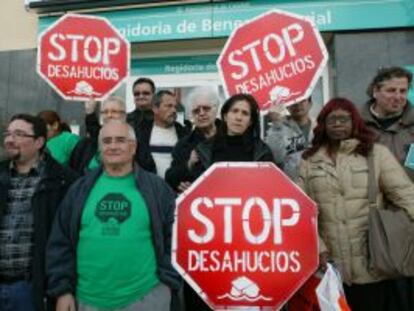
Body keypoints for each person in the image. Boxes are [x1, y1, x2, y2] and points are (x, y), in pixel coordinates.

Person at [47, 120, 181, 311]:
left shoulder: (157, 189)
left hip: (146, 297)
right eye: (107, 141)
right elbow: (60, 242)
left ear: (133, 147)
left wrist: (168, 283)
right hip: (86, 300)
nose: (113, 146)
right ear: (100, 148)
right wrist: (63, 291)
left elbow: (176, 238)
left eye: (120, 140)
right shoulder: (79, 189)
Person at [298, 97, 414, 311]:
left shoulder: (376, 154)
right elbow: (300, 212)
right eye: (332, 119)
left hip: (373, 264)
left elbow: (406, 196)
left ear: (356, 122)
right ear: (323, 124)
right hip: (330, 269)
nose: (338, 124)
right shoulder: (309, 160)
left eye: (344, 119)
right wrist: (319, 248)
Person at [0, 114, 78, 311]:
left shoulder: (63, 181)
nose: (10, 139)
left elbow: (69, 240)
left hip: (31, 289)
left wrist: (63, 288)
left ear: (39, 142)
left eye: (19, 134)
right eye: (8, 133)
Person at [189, 93, 275, 179]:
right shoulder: (205, 149)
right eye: (235, 111)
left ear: (250, 122)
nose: (238, 117)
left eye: (245, 113)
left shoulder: (262, 152)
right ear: (225, 116)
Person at [360, 66, 414, 180]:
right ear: (375, 91)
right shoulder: (355, 125)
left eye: (403, 91)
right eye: (391, 90)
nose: (398, 97)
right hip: (369, 196)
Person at [165, 87, 220, 192]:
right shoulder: (184, 144)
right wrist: (188, 164)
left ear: (216, 109)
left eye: (206, 108)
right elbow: (170, 177)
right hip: (199, 202)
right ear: (192, 115)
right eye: (196, 111)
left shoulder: (231, 136)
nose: (201, 113)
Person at [136, 90, 188, 178]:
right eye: (169, 106)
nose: (174, 110)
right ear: (155, 108)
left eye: (175, 107)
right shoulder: (141, 133)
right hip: (149, 188)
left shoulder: (184, 133)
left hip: (176, 189)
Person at [69, 96, 127, 174]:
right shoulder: (84, 145)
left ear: (124, 115)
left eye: (114, 111)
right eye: (105, 112)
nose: (109, 115)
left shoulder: (131, 143)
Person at [84, 77, 156, 139]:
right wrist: (90, 113)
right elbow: (100, 136)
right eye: (137, 94)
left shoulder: (160, 120)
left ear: (153, 95)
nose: (141, 96)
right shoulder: (125, 119)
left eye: (146, 93)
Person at [265, 97, 314, 180]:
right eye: (293, 101)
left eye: (302, 100)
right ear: (287, 106)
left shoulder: (320, 127)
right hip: (292, 184)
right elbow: (276, 157)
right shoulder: (278, 129)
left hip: (317, 184)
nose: (298, 105)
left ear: (310, 104)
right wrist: (277, 124)